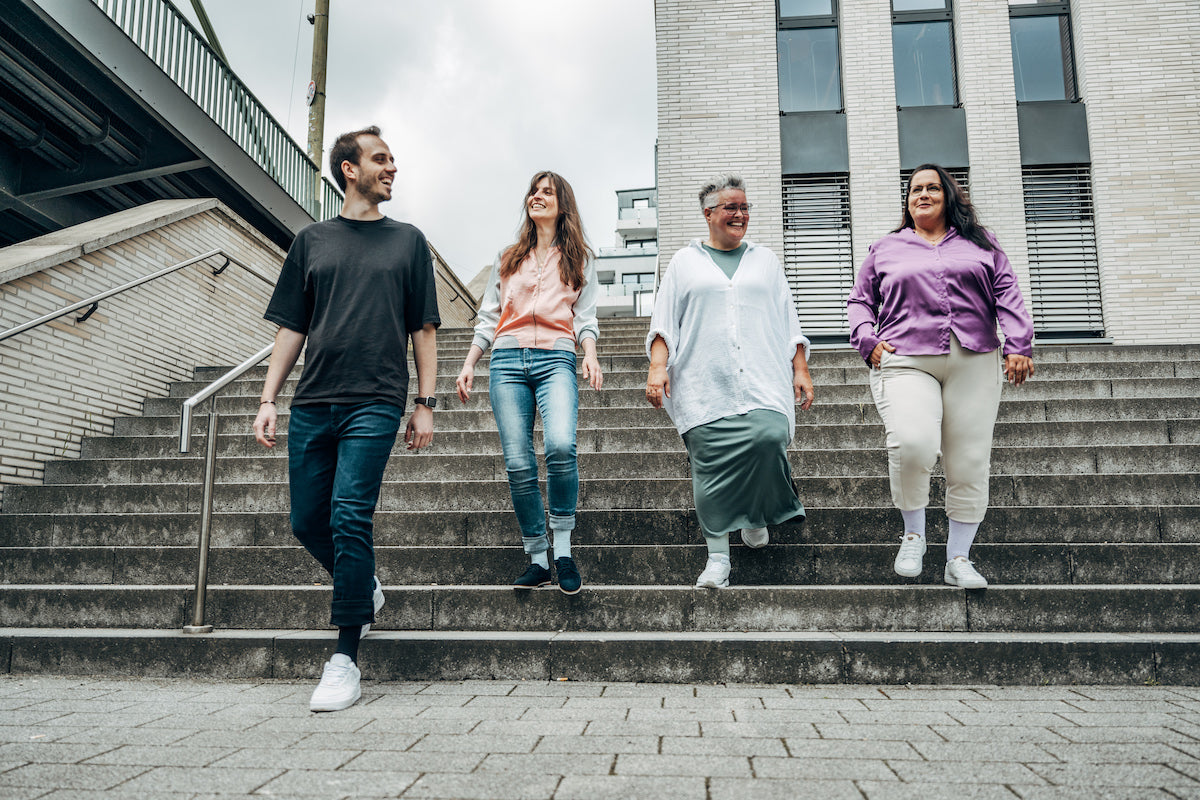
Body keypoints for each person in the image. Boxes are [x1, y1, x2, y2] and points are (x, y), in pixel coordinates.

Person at [252, 126, 439, 712]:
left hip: (376, 399)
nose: (392, 167)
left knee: (349, 515)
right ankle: (364, 587)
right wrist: (267, 398)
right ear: (349, 170)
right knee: (307, 522)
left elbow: (423, 329)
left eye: (392, 159)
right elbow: (291, 327)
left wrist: (425, 404)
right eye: (380, 159)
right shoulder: (311, 241)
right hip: (313, 401)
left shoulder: (408, 242)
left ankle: (344, 658)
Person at [847, 163, 1035, 590]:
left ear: (949, 196)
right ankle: (913, 534)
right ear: (908, 200)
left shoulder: (981, 243)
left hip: (975, 357)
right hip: (906, 357)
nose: (924, 195)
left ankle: (958, 558)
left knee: (969, 460)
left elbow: (1007, 291)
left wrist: (1019, 343)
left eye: (933, 188)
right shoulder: (886, 248)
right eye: (916, 189)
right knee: (914, 444)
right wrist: (866, 339)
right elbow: (860, 301)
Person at [645, 174, 814, 589]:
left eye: (744, 207)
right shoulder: (684, 263)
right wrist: (657, 366)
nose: (740, 215)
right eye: (730, 207)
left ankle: (755, 516)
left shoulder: (765, 261)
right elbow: (664, 321)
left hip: (762, 377)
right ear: (708, 214)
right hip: (704, 382)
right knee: (711, 466)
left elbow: (787, 318)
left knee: (770, 437)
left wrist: (800, 367)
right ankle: (718, 558)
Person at [455, 171, 602, 594]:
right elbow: (488, 317)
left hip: (556, 355)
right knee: (518, 462)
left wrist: (588, 354)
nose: (537, 197)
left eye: (547, 192)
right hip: (506, 359)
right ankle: (537, 557)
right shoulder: (508, 256)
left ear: (562, 204)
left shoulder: (581, 258)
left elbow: (586, 318)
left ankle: (562, 550)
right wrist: (469, 363)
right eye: (534, 192)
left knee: (559, 445)